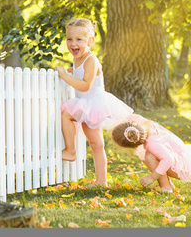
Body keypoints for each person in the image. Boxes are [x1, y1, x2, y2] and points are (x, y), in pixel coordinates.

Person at [54, 17, 134, 187]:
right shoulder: (78, 59)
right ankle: (101, 181)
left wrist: (65, 75)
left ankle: (70, 151)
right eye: (69, 39)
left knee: (67, 115)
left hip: (93, 103)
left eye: (78, 39)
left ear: (90, 41)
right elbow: (80, 76)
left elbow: (85, 85)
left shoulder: (91, 60)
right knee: (96, 143)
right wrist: (72, 71)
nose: (73, 43)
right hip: (86, 104)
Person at [111, 114, 191, 193]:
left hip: (184, 168)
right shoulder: (147, 125)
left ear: (133, 145)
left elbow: (168, 160)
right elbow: (134, 116)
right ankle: (168, 184)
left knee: (149, 157)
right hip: (183, 159)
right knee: (147, 155)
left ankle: (165, 187)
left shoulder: (151, 144)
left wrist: (152, 177)